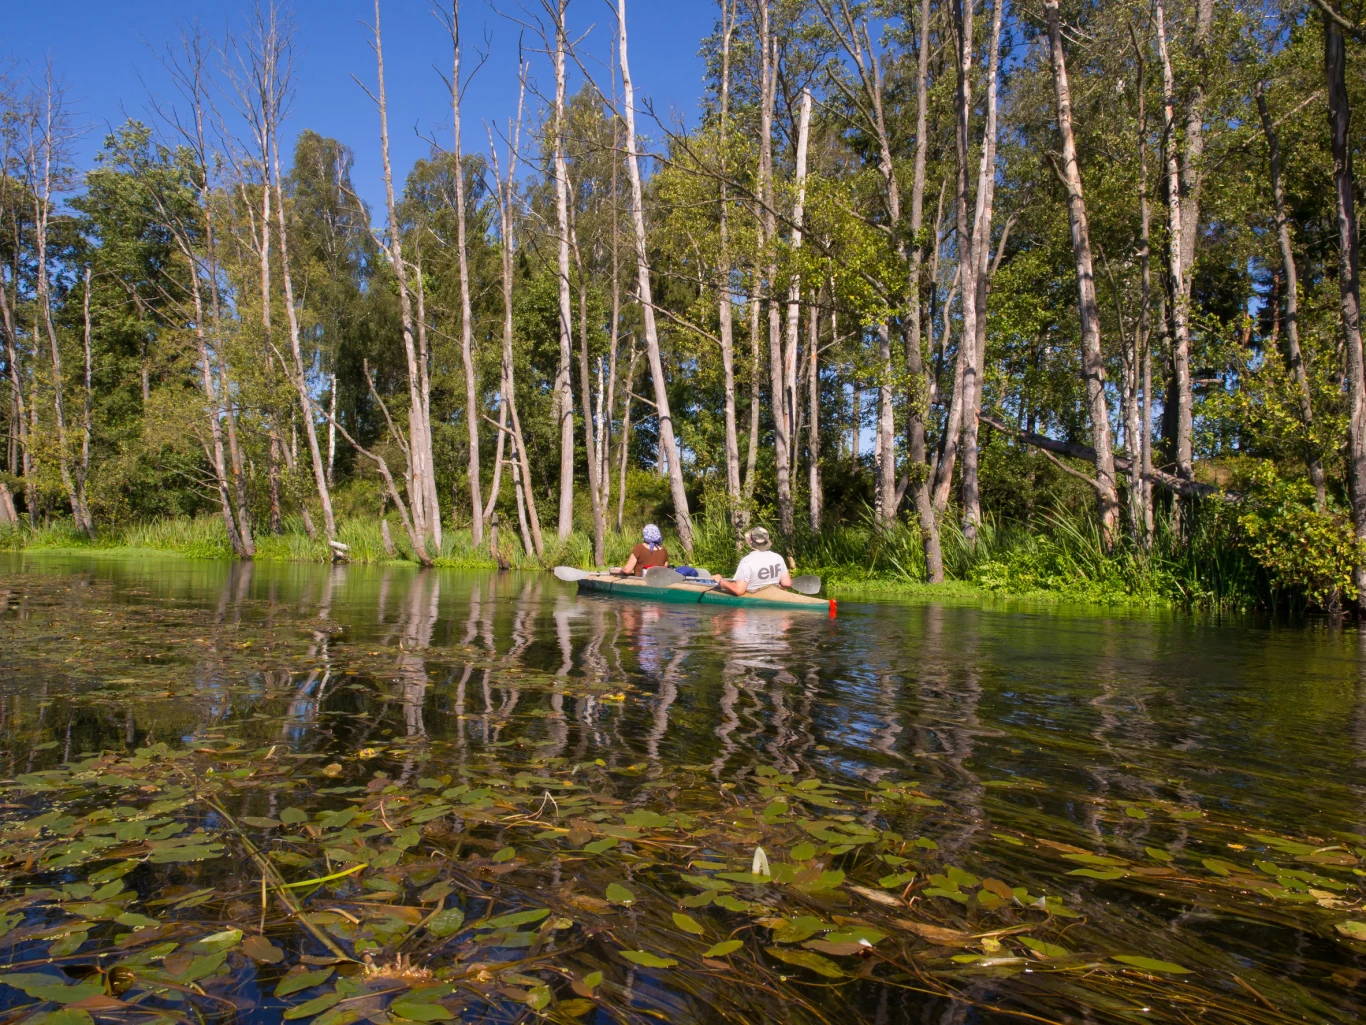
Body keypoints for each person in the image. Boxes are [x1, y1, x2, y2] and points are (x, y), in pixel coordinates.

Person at [715, 527, 791, 596]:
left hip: (755, 599)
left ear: (751, 541)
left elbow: (739, 590)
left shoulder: (747, 561)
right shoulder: (778, 557)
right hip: (775, 596)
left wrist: (721, 580)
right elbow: (786, 584)